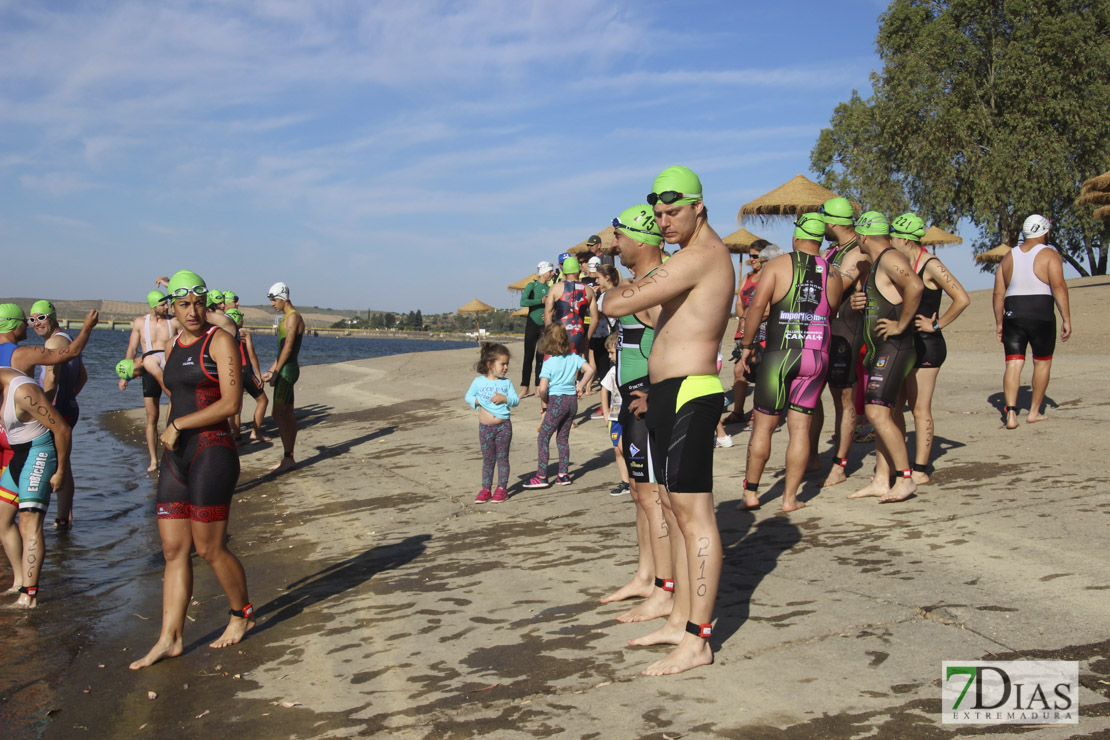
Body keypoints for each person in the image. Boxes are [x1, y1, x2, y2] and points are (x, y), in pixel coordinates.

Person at [601, 167, 734, 675]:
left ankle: (698, 641)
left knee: (695, 516)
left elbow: (617, 301)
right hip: (668, 393)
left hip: (691, 394)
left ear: (699, 206)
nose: (664, 222)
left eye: (673, 212)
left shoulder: (703, 256)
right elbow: (664, 319)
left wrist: (621, 291)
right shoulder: (689, 261)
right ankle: (680, 620)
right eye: (657, 214)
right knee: (677, 512)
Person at [130, 269, 253, 670]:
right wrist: (147, 372)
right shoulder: (172, 345)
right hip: (176, 456)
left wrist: (179, 425)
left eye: (199, 303)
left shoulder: (219, 342)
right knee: (173, 550)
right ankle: (170, 638)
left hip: (212, 452)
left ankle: (240, 614)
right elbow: (178, 395)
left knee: (209, 547)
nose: (193, 311)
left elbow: (231, 404)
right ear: (173, 308)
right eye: (184, 304)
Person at [598, 204, 673, 623]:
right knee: (639, 494)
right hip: (631, 398)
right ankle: (647, 575)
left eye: (620, 237)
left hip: (645, 399)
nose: (614, 245)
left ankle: (664, 584)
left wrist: (658, 393)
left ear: (641, 239)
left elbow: (671, 338)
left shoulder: (654, 288)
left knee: (653, 497)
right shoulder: (640, 284)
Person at [738, 214, 843, 513]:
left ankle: (751, 494)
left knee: (763, 428)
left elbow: (757, 306)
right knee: (800, 429)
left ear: (796, 238)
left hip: (779, 353)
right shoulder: (833, 273)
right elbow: (830, 313)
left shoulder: (777, 265)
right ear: (820, 240)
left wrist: (747, 346)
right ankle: (789, 499)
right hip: (815, 356)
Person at [845, 212, 924, 504]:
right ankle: (881, 478)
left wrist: (902, 324)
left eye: (857, 235)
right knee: (880, 414)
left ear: (864, 236)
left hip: (895, 348)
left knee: (878, 413)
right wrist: (857, 302)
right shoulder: (879, 263)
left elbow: (915, 286)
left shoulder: (890, 258)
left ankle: (905, 478)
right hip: (880, 349)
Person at [889, 213, 970, 482]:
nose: (889, 241)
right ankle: (900, 463)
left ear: (905, 239)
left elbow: (962, 298)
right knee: (895, 407)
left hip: (927, 345)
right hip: (903, 344)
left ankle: (921, 469)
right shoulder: (899, 262)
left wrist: (937, 325)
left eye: (893, 236)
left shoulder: (931, 265)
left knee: (919, 408)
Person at [0, 366, 71, 607]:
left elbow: (62, 428)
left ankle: (28, 597)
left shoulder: (24, 392)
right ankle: (19, 582)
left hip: (39, 453)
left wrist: (60, 470)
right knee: (2, 520)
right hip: (19, 455)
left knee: (29, 525)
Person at [993, 214, 1071, 429]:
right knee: (1042, 361)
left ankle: (1010, 414)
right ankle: (1034, 412)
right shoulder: (1049, 254)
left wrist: (999, 322)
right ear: (1044, 231)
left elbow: (998, 293)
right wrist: (1066, 318)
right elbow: (1059, 287)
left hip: (1013, 312)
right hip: (1040, 312)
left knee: (1013, 362)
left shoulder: (1008, 257)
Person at [815, 197, 872, 487]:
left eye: (823, 220)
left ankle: (840, 464)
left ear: (833, 221)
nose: (821, 226)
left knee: (843, 400)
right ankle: (813, 456)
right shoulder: (832, 250)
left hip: (846, 330)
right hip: (827, 328)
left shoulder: (856, 252)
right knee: (812, 396)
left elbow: (834, 287)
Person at [28, 300, 86, 530]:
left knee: (44, 463)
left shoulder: (53, 342)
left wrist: (41, 406)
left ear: (53, 317)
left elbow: (51, 377)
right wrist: (69, 396)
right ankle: (64, 518)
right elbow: (83, 376)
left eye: (41, 318)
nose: (36, 323)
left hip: (54, 412)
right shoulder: (68, 340)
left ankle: (34, 518)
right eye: (32, 319)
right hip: (69, 408)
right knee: (63, 464)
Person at [523, 324, 594, 489]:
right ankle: (563, 474)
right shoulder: (573, 356)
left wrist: (546, 401)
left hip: (557, 401)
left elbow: (542, 388)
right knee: (562, 438)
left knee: (543, 437)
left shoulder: (549, 362)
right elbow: (589, 370)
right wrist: (580, 385)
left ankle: (541, 476)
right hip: (571, 402)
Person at [120, 290, 172, 471]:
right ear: (153, 306)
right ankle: (153, 459)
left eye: (167, 304)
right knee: (152, 417)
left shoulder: (173, 322)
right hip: (149, 371)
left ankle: (170, 454)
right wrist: (124, 376)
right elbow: (132, 347)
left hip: (169, 369)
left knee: (173, 414)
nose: (167, 307)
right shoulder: (140, 323)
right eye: (163, 304)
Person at [465, 343, 519, 504]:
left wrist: (505, 399)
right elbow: (468, 396)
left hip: (503, 427)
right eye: (502, 364)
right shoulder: (478, 382)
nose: (505, 367)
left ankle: (502, 488)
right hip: (485, 428)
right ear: (489, 364)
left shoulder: (506, 383)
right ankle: (486, 488)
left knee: (502, 458)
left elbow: (515, 400)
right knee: (488, 459)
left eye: (507, 364)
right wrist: (477, 401)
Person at [262, 281, 305, 472]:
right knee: (286, 413)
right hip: (285, 368)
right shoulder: (287, 317)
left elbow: (288, 348)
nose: (272, 304)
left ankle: (289, 457)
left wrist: (277, 372)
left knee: (279, 413)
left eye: (273, 300)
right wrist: (272, 370)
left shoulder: (293, 317)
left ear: (282, 298)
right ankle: (288, 457)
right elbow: (281, 351)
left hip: (288, 371)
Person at [723, 243, 767, 428]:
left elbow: (768, 306)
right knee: (740, 370)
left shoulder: (769, 277)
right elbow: (739, 300)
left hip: (763, 328)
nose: (752, 259)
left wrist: (750, 318)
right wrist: (742, 317)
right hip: (744, 327)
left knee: (761, 372)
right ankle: (738, 411)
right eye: (751, 255)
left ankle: (759, 414)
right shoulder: (747, 277)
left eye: (756, 256)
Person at [226, 308, 271, 443]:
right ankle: (255, 432)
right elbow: (251, 353)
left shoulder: (222, 333)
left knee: (236, 406)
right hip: (245, 371)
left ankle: (236, 436)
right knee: (263, 401)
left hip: (232, 371)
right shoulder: (244, 333)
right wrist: (257, 373)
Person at [544, 256, 598, 358]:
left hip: (559, 332)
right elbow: (595, 319)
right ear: (578, 271)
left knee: (556, 366)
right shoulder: (588, 290)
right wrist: (587, 338)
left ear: (563, 273)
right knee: (575, 367)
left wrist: (550, 334)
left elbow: (547, 314)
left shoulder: (555, 288)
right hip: (578, 332)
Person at [599, 333, 630, 496]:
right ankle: (625, 481)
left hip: (627, 416)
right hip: (614, 417)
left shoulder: (629, 369)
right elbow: (604, 389)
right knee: (617, 450)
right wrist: (606, 412)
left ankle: (635, 479)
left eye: (612, 352)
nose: (610, 356)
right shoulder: (612, 371)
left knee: (625, 448)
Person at [588, 264, 620, 416]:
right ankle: (608, 404)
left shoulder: (609, 294)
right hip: (603, 335)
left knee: (605, 373)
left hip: (605, 336)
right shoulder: (611, 293)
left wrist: (592, 300)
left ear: (607, 278)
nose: (596, 281)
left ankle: (606, 406)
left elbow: (599, 314)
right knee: (606, 372)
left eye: (598, 278)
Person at [519, 262, 554, 396]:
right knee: (528, 356)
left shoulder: (550, 288)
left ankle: (538, 385)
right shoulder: (532, 285)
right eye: (550, 271)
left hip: (543, 325)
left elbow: (552, 306)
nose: (552, 274)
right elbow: (523, 301)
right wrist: (541, 300)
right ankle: (524, 386)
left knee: (541, 357)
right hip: (532, 323)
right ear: (543, 272)